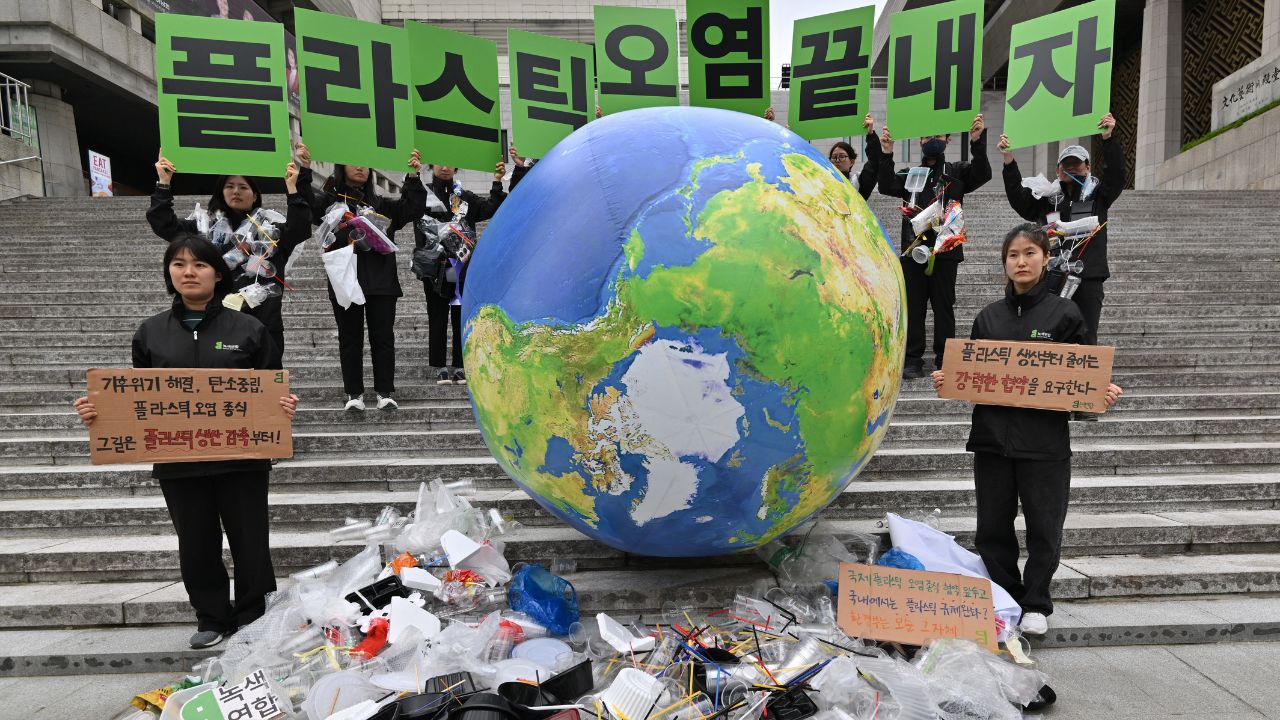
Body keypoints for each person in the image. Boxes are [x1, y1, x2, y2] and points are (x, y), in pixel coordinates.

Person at [72, 235, 299, 649]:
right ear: (169, 274)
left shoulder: (249, 328)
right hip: (178, 459)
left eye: (199, 265)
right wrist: (99, 412)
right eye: (178, 264)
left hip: (241, 458)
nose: (188, 272)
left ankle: (253, 616)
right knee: (195, 541)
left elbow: (271, 387)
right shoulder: (150, 333)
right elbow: (136, 398)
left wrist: (282, 404)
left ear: (217, 274)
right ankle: (211, 616)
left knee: (251, 540)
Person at [931, 223, 1122, 636]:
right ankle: (1005, 600)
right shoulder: (988, 317)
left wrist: (1098, 397)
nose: (1021, 261)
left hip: (1045, 443)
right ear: (1004, 263)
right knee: (991, 528)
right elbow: (975, 375)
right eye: (1013, 255)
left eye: (1029, 253)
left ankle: (1036, 603)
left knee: (1044, 526)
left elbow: (1082, 378)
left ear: (1046, 258)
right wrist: (951, 380)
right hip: (992, 440)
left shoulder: (1065, 314)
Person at [148, 146, 313, 370]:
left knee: (265, 388)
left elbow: (300, 228)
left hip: (263, 323)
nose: (236, 191)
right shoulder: (203, 229)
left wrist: (293, 188)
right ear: (221, 192)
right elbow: (163, 224)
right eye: (230, 186)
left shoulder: (270, 231)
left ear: (255, 195)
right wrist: (164, 182)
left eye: (243, 187)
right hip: (213, 324)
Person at [311, 153, 427, 411]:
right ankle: (354, 394)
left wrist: (412, 176)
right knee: (349, 338)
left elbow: (412, 209)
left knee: (383, 337)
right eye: (353, 160)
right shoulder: (331, 203)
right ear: (340, 166)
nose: (360, 166)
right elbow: (309, 208)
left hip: (381, 281)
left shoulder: (381, 205)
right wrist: (305, 170)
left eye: (364, 162)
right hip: (345, 280)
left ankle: (384, 392)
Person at [878, 115, 991, 379]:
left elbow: (983, 173)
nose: (932, 141)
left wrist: (977, 142)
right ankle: (912, 360)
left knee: (944, 306)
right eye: (928, 137)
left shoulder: (957, 172)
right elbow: (885, 185)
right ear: (919, 140)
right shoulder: (910, 175)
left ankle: (945, 358)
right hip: (914, 249)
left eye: (938, 136)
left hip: (946, 250)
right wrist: (886, 152)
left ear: (948, 140)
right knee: (914, 306)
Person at [998, 114, 1122, 350]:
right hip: (1050, 278)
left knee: (1085, 337)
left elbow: (1116, 175)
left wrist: (1108, 138)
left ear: (1088, 167)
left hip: (1087, 278)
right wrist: (1008, 159)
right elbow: (1018, 199)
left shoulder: (1099, 196)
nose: (1071, 168)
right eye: (1066, 164)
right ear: (1057, 171)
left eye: (1077, 163)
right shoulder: (1047, 200)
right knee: (1048, 336)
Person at [413, 158, 524, 384]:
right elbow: (408, 209)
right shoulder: (422, 196)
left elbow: (492, 206)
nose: (444, 167)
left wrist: (496, 181)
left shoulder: (465, 197)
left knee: (459, 315)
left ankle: (460, 364)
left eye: (449, 163)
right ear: (430, 166)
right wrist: (412, 178)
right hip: (435, 268)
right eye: (438, 163)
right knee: (437, 316)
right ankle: (439, 366)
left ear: (455, 167)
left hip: (460, 267)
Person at [829, 113, 883, 200]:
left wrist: (870, 134)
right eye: (834, 157)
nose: (837, 160)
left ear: (852, 162)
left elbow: (875, 162)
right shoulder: (821, 181)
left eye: (842, 156)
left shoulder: (858, 183)